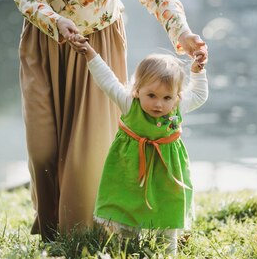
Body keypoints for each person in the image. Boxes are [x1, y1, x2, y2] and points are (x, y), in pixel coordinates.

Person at [13, 0, 208, 240]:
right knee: (43, 148)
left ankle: (79, 235)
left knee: (85, 153)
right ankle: (49, 225)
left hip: (97, 46)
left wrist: (182, 32)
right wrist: (55, 21)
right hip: (45, 43)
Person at [72, 35, 208, 254]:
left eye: (167, 97)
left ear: (177, 96)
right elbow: (107, 80)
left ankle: (167, 250)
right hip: (130, 168)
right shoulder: (129, 103)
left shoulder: (178, 106)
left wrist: (198, 70)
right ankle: (125, 246)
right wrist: (90, 54)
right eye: (151, 95)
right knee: (128, 206)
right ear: (137, 90)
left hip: (167, 171)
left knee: (168, 207)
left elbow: (200, 95)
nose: (158, 104)